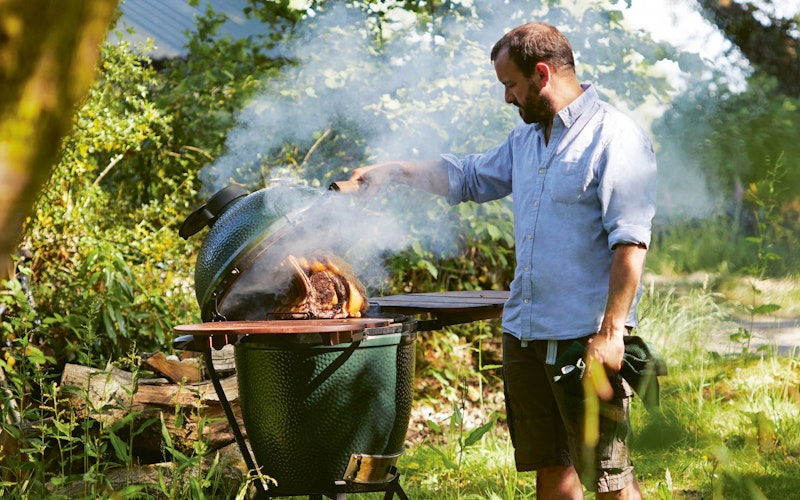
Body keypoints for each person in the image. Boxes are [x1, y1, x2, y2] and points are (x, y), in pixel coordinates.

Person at [349, 21, 657, 499]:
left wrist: (612, 333)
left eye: (510, 85)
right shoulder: (527, 139)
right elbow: (468, 176)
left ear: (541, 74)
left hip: (584, 340)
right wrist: (396, 171)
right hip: (525, 332)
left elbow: (631, 243)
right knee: (552, 468)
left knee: (609, 479)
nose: (507, 98)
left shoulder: (616, 137)